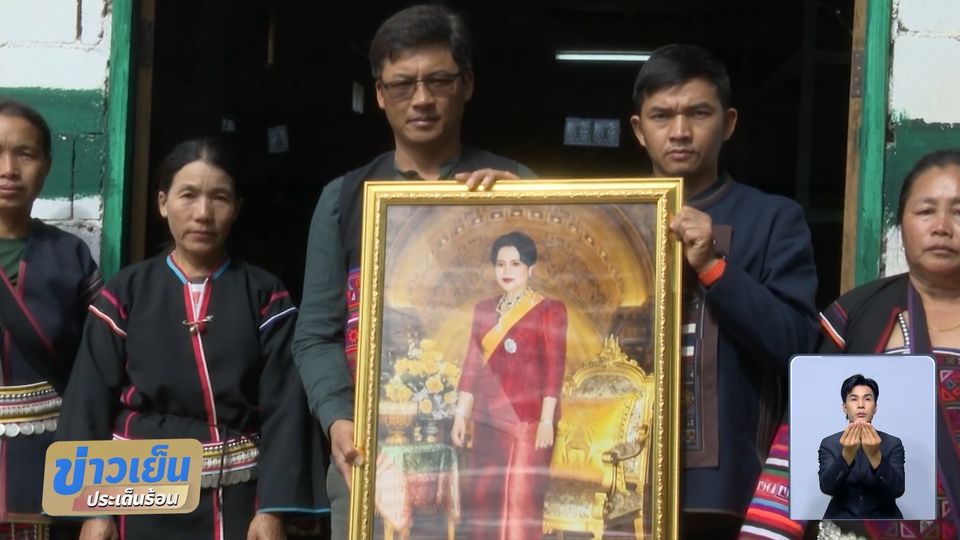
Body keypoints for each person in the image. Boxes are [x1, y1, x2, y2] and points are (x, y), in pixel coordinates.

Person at [292, 5, 533, 538]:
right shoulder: (344, 199)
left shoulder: (515, 186)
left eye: (438, 80)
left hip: (487, 459)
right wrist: (337, 419)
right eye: (402, 84)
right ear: (380, 94)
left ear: (467, 84)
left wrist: (526, 209)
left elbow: (551, 323)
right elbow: (314, 335)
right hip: (372, 460)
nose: (421, 99)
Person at [57, 138, 327, 540]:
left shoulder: (265, 296)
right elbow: (87, 401)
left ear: (237, 208)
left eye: (219, 197)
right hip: (135, 499)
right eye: (188, 195)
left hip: (237, 498)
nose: (203, 213)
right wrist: (91, 510)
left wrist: (271, 509)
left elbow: (286, 408)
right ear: (162, 203)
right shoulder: (125, 293)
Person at [628, 44, 819, 538]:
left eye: (698, 113)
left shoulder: (773, 220)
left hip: (724, 493)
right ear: (639, 130)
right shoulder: (612, 216)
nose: (680, 131)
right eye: (662, 116)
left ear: (728, 123)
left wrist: (714, 268)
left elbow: (798, 347)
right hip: (618, 481)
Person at [816, 148, 960, 539]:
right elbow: (803, 442)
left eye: (958, 212)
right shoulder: (855, 316)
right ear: (900, 226)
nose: (942, 227)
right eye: (926, 211)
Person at [0, 98, 102, 539]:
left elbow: (101, 370)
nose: (8, 169)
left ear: (46, 166)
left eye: (25, 154)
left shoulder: (71, 257)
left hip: (49, 463)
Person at [449, 231, 566, 539]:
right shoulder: (484, 309)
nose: (507, 271)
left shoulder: (550, 309)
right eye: (500, 264)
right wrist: (461, 415)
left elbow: (555, 369)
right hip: (487, 420)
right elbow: (472, 364)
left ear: (531, 268)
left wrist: (546, 421)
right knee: (483, 500)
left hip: (528, 423)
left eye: (515, 264)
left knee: (519, 503)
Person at [818, 374, 905, 520]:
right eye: (853, 399)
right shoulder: (829, 444)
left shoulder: (892, 443)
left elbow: (897, 490)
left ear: (875, 408)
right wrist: (847, 454)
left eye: (867, 399)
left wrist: (875, 456)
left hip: (884, 522)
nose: (861, 405)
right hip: (841, 522)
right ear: (844, 407)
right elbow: (827, 487)